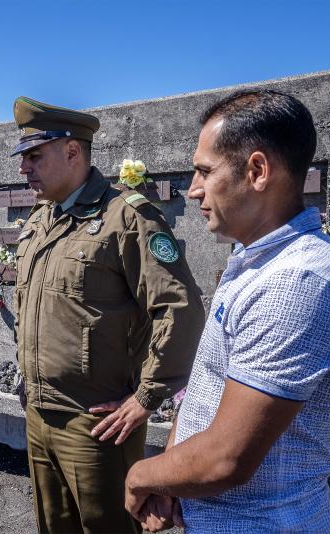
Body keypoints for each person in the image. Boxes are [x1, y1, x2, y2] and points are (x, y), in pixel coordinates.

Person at [124, 90, 330, 533]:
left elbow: (225, 459)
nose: (193, 189)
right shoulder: (256, 260)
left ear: (257, 171)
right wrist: (173, 474)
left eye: (204, 171)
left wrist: (142, 474)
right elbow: (207, 387)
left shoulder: (295, 282)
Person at [10, 96, 205, 533]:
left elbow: (179, 308)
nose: (24, 168)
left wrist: (146, 398)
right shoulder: (42, 220)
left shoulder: (126, 217)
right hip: (40, 415)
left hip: (97, 423)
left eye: (34, 156)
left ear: (73, 152)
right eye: (24, 158)